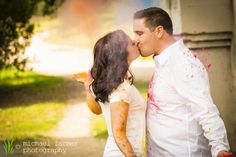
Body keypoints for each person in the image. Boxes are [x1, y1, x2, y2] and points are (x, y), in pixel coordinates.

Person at [133, 7, 232, 157]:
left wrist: (219, 148)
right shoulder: (164, 62)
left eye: (140, 33)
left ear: (159, 31)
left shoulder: (183, 64)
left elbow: (206, 110)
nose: (136, 40)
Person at [74, 30, 146, 157]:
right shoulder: (121, 89)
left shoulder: (113, 84)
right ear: (121, 54)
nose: (135, 42)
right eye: (130, 42)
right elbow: (118, 134)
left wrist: (88, 85)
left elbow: (97, 110)